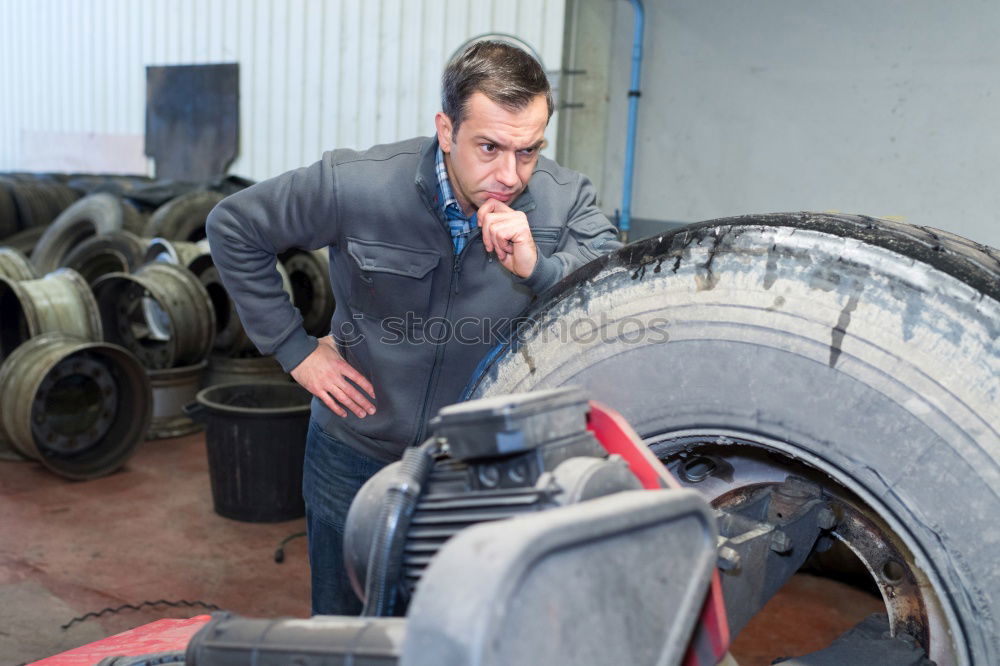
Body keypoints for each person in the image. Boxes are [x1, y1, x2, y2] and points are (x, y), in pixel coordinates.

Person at [206, 40, 622, 615]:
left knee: (461, 629)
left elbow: (613, 288)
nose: (511, 174)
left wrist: (538, 266)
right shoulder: (355, 185)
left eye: (529, 151)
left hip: (486, 467)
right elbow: (234, 226)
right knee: (344, 625)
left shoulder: (565, 201)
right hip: (355, 450)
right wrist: (293, 348)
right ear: (446, 130)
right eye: (490, 147)